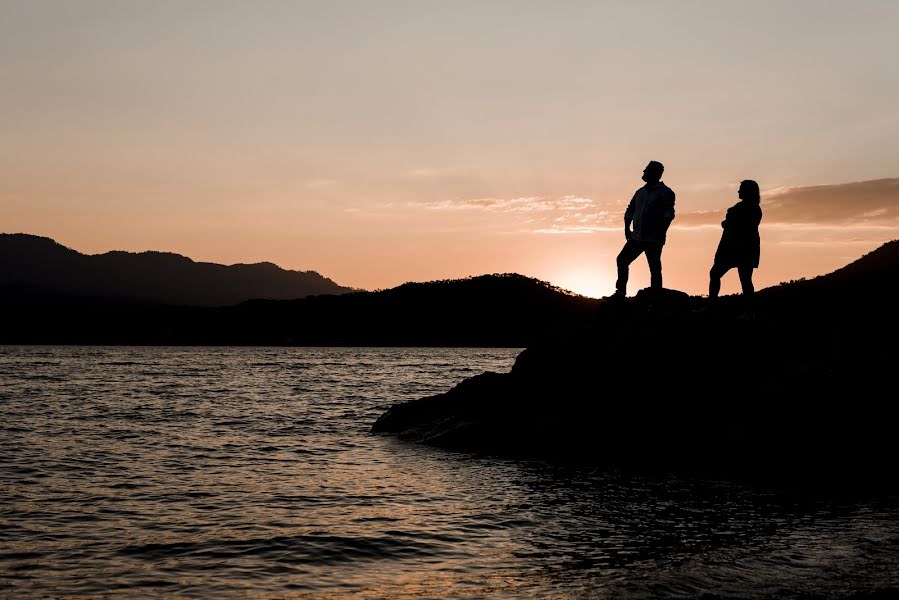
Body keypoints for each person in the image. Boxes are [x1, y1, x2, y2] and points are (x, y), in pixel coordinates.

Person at [613, 160, 676, 299]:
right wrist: (626, 229)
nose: (643, 172)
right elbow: (630, 210)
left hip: (654, 239)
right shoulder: (640, 192)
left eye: (647, 170)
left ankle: (655, 299)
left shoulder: (666, 192)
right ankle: (620, 293)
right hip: (637, 237)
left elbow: (668, 215)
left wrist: (661, 232)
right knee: (622, 260)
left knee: (654, 268)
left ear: (655, 173)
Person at [708, 179, 762, 305]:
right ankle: (713, 304)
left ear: (748, 191)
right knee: (744, 279)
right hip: (737, 246)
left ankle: (712, 305)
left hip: (738, 247)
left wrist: (727, 223)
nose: (738, 191)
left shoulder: (750, 208)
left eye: (741, 188)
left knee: (742, 279)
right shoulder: (750, 208)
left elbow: (741, 225)